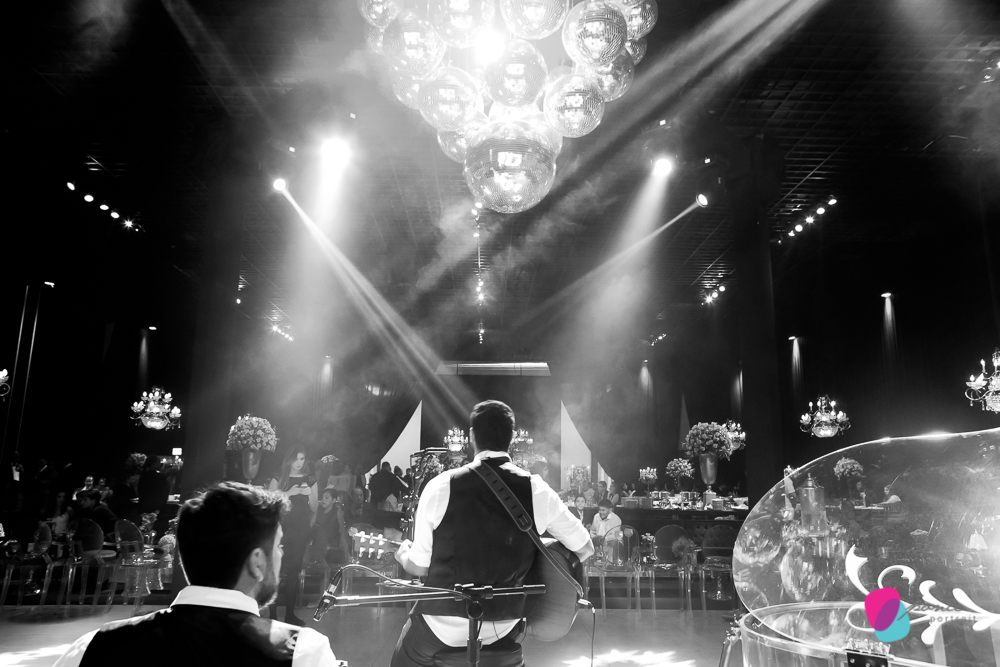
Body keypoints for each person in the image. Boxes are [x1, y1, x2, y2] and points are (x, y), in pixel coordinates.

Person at [392, 400, 594, 667]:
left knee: (403, 657)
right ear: (512, 438)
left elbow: (419, 567)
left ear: (471, 436)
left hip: (441, 626)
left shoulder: (441, 486)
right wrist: (540, 557)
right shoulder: (536, 490)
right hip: (506, 624)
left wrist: (403, 556)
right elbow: (584, 547)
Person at [52, 482, 337, 667]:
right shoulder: (302, 653)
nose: (282, 554)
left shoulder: (93, 647)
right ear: (257, 563)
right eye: (279, 545)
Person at [268, 449, 318, 625]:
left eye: (302, 459)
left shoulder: (310, 479)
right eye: (296, 459)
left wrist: (309, 493)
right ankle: (272, 615)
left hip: (300, 530)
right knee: (276, 570)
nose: (299, 462)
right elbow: (270, 503)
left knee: (294, 571)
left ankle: (290, 614)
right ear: (289, 459)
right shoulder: (279, 477)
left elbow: (314, 507)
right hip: (280, 529)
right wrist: (289, 493)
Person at [315, 488, 349, 564]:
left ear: (333, 500)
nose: (323, 500)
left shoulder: (337, 511)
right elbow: (312, 523)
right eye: (322, 498)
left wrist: (342, 541)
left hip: (333, 544)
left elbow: (342, 527)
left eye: (326, 498)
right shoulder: (318, 510)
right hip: (319, 543)